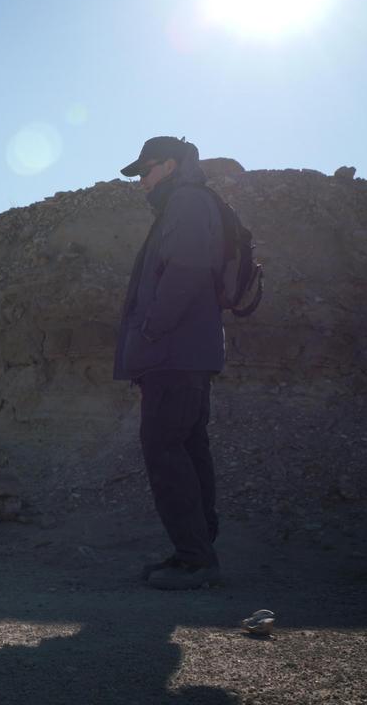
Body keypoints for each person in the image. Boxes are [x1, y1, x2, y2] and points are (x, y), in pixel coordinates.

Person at [114, 137, 225, 590]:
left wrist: (150, 331)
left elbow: (185, 271)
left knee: (164, 448)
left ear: (172, 165)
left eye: (146, 170)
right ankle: (195, 553)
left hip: (174, 354)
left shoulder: (187, 202)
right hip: (184, 353)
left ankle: (195, 560)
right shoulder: (183, 204)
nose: (141, 181)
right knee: (187, 450)